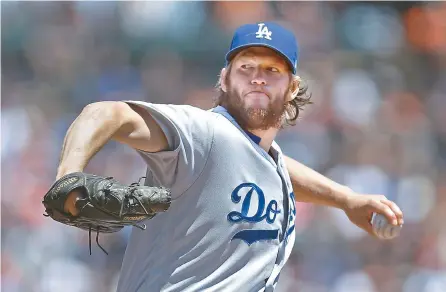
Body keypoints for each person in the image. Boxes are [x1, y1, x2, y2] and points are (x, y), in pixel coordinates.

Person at [58, 22, 404, 292]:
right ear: (224, 79)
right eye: (246, 67)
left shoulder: (259, 156)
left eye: (272, 70)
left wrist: (347, 200)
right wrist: (67, 177)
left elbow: (276, 171)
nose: (257, 79)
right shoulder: (204, 132)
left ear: (293, 87)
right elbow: (105, 113)